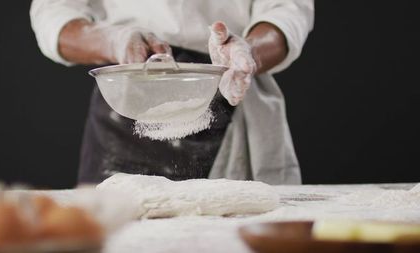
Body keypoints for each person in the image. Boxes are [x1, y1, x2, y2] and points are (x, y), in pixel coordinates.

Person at [30, 0, 314, 184]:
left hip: (227, 90)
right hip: (126, 106)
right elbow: (53, 11)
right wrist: (112, 40)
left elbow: (287, 10)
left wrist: (248, 52)